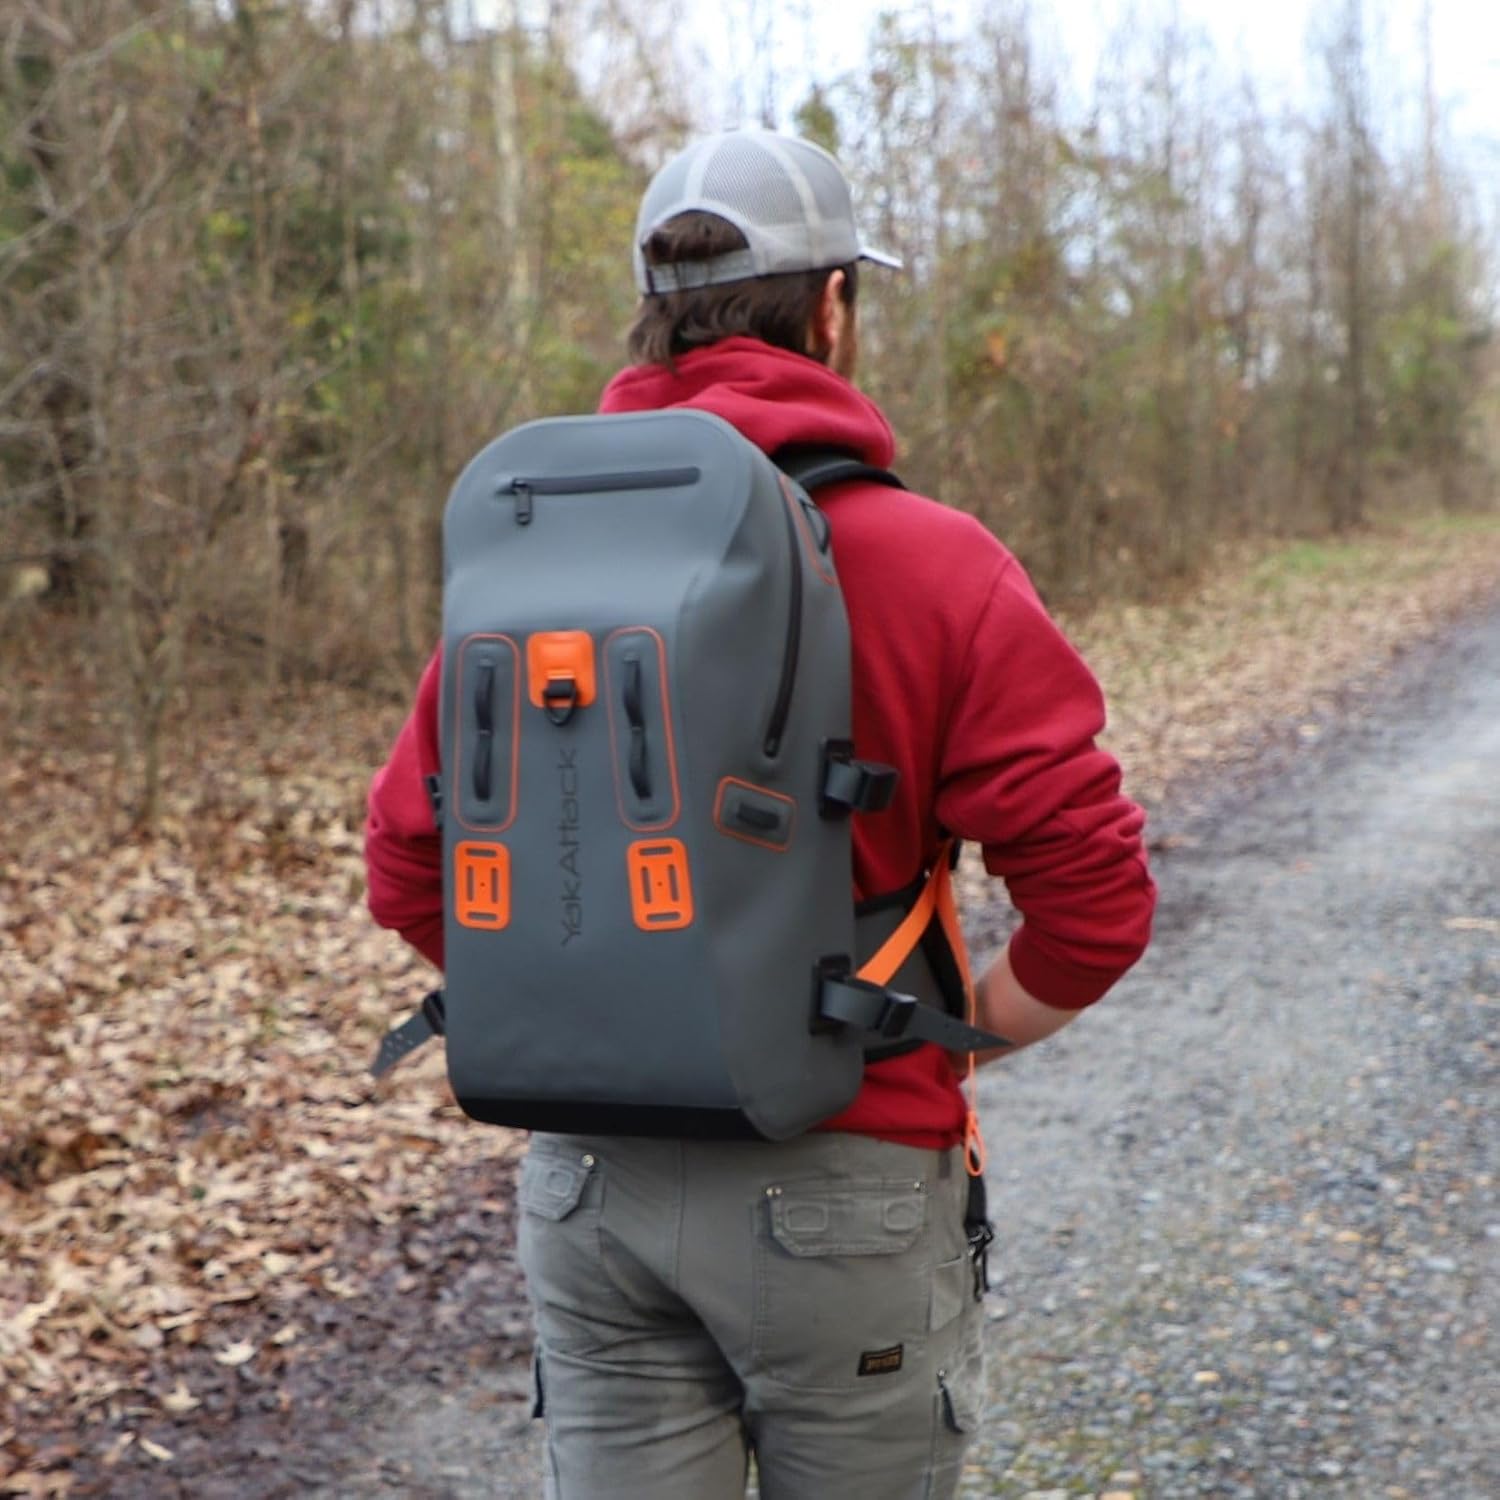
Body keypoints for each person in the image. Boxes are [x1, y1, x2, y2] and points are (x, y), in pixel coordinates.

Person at [364, 129, 1156, 1500]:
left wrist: (607, 997)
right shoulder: (935, 563)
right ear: (833, 308)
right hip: (844, 1173)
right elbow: (1095, 903)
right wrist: (959, 1033)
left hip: (592, 1182)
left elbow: (403, 862)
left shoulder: (542, 558)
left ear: (656, 318)